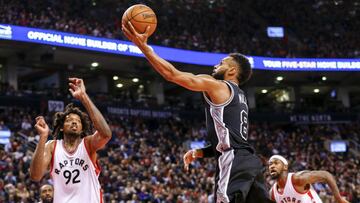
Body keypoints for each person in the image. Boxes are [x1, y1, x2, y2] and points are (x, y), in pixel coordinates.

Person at [122, 23, 271, 203]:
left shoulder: (218, 86)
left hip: (233, 160)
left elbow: (172, 75)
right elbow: (233, 138)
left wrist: (144, 48)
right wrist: (201, 152)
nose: (216, 65)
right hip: (251, 162)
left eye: (222, 63)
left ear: (232, 70)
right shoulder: (241, 97)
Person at [30, 78, 112, 203]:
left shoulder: (88, 144)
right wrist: (43, 137)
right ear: (62, 127)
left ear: (81, 128)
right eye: (69, 120)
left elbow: (106, 134)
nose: (74, 122)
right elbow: (35, 176)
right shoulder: (52, 146)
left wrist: (84, 97)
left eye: (78, 121)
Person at [268, 155, 349, 203]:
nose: (272, 166)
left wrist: (338, 198)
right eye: (270, 164)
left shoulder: (297, 179)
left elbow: (326, 175)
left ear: (285, 167)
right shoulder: (273, 193)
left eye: (276, 163)